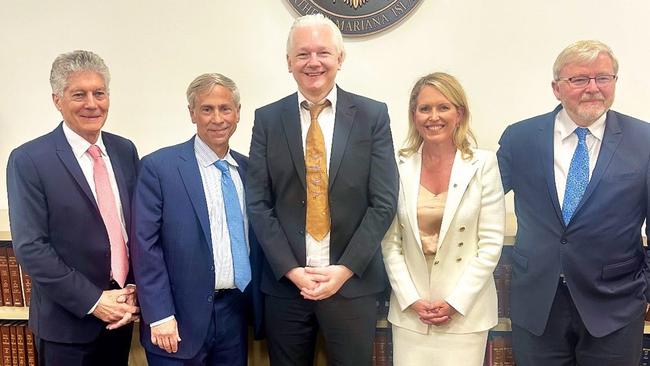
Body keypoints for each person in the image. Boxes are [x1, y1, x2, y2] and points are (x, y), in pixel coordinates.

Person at [247, 13, 398, 366]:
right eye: (302, 54)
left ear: (339, 59)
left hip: (352, 285)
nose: (313, 62)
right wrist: (291, 270)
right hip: (286, 286)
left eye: (323, 53)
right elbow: (258, 202)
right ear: (288, 63)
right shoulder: (268, 119)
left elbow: (384, 202)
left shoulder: (372, 116)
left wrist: (344, 269)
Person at [497, 40, 650, 366]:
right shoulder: (519, 138)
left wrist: (645, 291)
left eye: (603, 78)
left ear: (614, 83)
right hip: (538, 304)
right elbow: (479, 201)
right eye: (580, 79)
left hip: (615, 307)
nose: (593, 88)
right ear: (557, 88)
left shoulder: (644, 141)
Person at [6, 50, 139, 366]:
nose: (92, 104)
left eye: (99, 93)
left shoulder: (124, 150)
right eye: (79, 94)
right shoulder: (29, 160)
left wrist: (134, 289)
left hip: (120, 317)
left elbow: (133, 230)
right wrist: (95, 302)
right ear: (57, 100)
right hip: (67, 327)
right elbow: (31, 248)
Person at [131, 73, 264, 365]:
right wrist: (160, 315)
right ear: (192, 113)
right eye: (207, 109)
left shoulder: (249, 170)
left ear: (238, 113)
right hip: (177, 320)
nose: (217, 118)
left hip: (235, 315)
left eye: (225, 108)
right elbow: (145, 248)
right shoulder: (159, 168)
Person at [381, 72, 505, 366]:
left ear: (459, 113)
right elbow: (390, 243)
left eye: (443, 107)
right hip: (412, 312)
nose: (433, 116)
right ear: (414, 115)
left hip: (464, 312)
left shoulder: (483, 163)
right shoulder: (397, 165)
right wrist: (411, 299)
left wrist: (454, 302)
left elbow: (489, 244)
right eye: (424, 108)